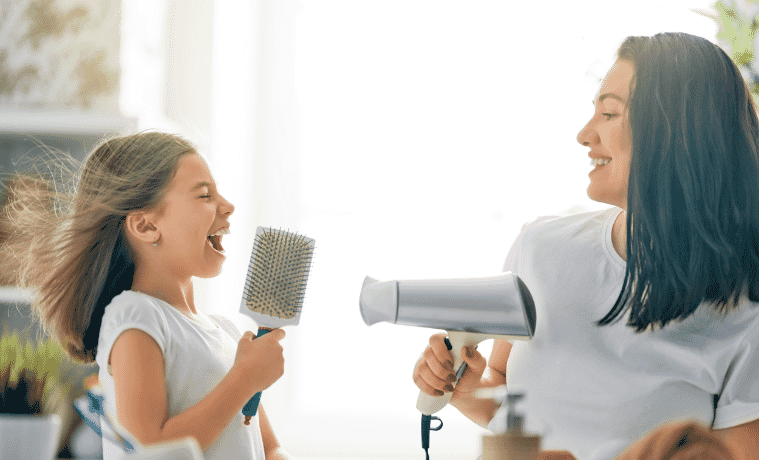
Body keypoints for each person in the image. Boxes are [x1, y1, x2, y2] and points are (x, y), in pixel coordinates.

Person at [412, 32, 759, 460]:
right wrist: (467, 390)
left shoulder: (744, 309)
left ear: (676, 134)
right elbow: (509, 400)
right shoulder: (540, 248)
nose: (584, 134)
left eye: (610, 114)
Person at [10, 132, 293, 459]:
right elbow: (151, 450)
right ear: (146, 226)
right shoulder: (137, 318)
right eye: (204, 196)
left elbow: (267, 446)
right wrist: (243, 380)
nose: (228, 206)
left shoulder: (227, 333)